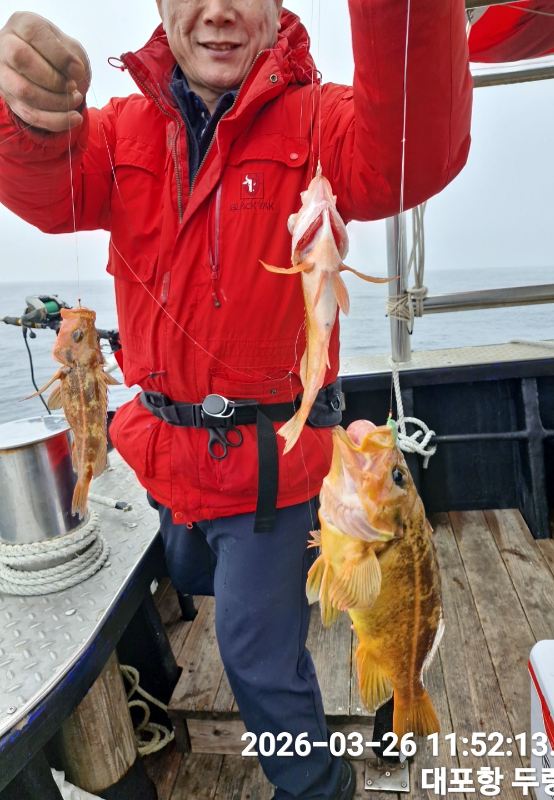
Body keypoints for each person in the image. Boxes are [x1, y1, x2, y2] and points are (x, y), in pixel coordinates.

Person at [0, 2, 472, 797]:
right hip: (164, 462)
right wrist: (26, 116)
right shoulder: (117, 132)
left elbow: (410, 152)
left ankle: (316, 785)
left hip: (269, 473)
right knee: (193, 575)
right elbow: (47, 190)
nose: (218, 10)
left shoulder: (320, 120)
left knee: (256, 657)